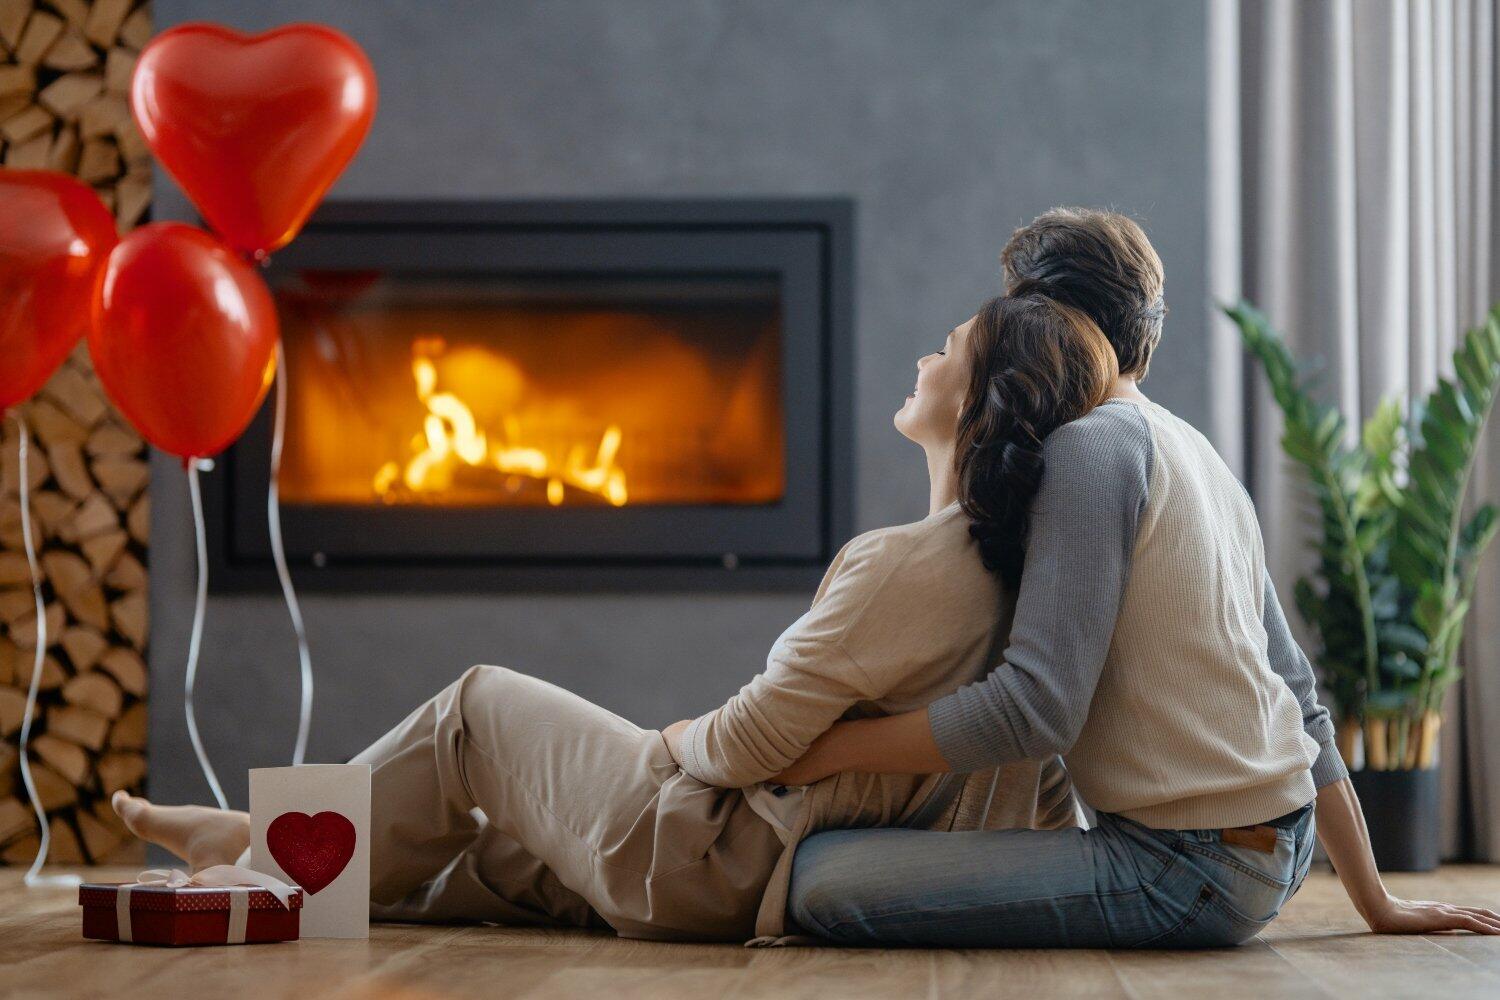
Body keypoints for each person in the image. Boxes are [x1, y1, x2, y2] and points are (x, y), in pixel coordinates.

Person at [112, 292, 1115, 943]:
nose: (924, 356)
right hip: (758, 866)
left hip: (716, 857)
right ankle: (262, 847)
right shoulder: (1039, 577)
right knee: (502, 848)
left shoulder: (903, 564)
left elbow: (748, 740)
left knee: (476, 710)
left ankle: (254, 865)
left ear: (979, 398)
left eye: (947, 349)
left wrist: (670, 739)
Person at [777, 207, 1500, 947]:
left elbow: (1036, 710)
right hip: (1275, 847)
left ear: (1047, 319)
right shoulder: (1190, 446)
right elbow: (1298, 693)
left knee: (819, 880)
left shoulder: (1089, 450)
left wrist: (821, 751)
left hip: (1190, 869)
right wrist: (1374, 900)